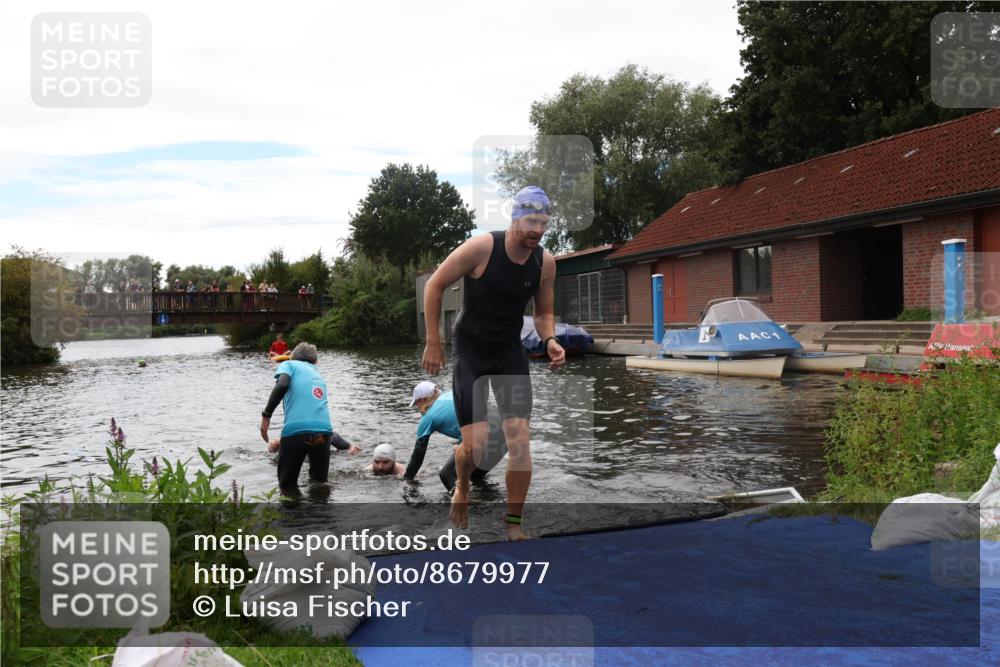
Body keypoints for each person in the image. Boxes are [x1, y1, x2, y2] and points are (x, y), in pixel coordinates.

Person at [421, 185, 565, 539]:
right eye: (531, 221)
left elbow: (544, 312)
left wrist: (549, 339)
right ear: (515, 216)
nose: (537, 230)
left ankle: (514, 525)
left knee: (520, 439)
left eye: (544, 223)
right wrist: (434, 342)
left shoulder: (544, 262)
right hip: (471, 351)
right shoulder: (483, 247)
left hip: (508, 353)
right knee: (477, 445)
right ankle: (463, 488)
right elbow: (434, 286)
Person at [259, 342, 335, 497]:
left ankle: (293, 520)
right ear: (315, 361)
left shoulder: (289, 364)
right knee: (319, 484)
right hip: (324, 431)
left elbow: (283, 384)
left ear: (293, 357)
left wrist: (266, 415)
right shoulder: (318, 374)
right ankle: (321, 519)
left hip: (296, 431)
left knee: (287, 485)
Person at [405, 381, 508, 491]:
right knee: (474, 476)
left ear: (423, 400)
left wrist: (406, 480)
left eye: (416, 404)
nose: (418, 408)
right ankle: (485, 503)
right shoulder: (453, 394)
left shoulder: (428, 418)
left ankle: (465, 505)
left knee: (446, 474)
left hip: (485, 432)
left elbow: (417, 456)